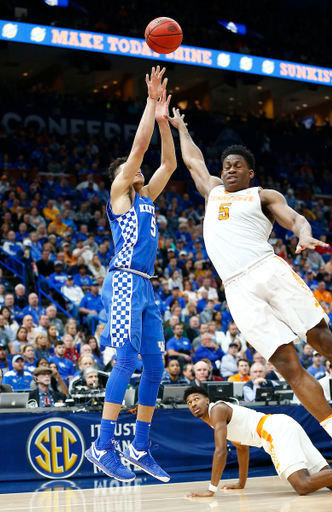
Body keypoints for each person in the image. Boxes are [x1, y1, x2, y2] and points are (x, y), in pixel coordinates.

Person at [168, 109, 332, 438]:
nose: (229, 170)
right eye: (226, 166)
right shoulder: (212, 192)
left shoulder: (262, 195)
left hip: (266, 269)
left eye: (237, 166)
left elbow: (296, 219)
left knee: (320, 339)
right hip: (236, 289)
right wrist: (180, 127)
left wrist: (303, 234)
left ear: (250, 173)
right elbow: (193, 161)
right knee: (287, 365)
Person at [85, 66, 177, 483]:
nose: (138, 168)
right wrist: (149, 103)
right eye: (131, 167)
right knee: (125, 361)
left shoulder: (147, 197)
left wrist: (165, 123)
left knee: (156, 367)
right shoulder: (121, 195)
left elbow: (170, 163)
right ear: (122, 176)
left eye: (137, 168)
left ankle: (139, 446)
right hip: (123, 279)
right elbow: (139, 149)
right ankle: (103, 446)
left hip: (147, 287)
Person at [184, 386, 332, 497]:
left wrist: (211, 489)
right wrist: (241, 483)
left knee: (302, 486)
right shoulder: (216, 420)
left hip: (274, 430)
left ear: (207, 400)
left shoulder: (217, 410)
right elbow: (242, 448)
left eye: (196, 399)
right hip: (283, 424)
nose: (193, 404)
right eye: (189, 402)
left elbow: (220, 451)